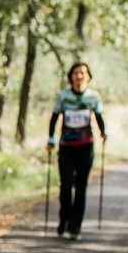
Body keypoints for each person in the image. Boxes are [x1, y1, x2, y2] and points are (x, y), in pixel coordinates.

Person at [46, 61, 108, 239]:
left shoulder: (93, 97)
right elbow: (54, 117)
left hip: (86, 146)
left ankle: (75, 226)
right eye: (76, 73)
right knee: (66, 184)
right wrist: (51, 138)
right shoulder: (63, 96)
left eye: (82, 73)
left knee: (81, 186)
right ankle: (64, 219)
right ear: (71, 76)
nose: (79, 76)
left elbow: (99, 117)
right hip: (66, 146)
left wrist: (103, 133)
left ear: (88, 76)